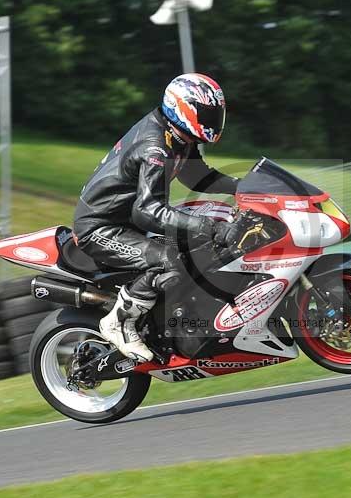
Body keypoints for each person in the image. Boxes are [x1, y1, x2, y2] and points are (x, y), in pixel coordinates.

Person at [73, 73, 242, 363]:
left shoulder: (179, 135)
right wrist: (208, 227)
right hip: (102, 227)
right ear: (184, 108)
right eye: (208, 114)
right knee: (169, 260)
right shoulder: (155, 146)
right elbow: (148, 210)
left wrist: (245, 187)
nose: (214, 120)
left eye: (216, 114)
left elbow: (197, 176)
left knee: (206, 239)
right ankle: (118, 322)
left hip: (129, 220)